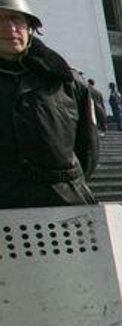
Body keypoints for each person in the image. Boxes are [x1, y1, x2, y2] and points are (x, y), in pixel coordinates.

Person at [0, 0, 98, 210]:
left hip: (65, 206)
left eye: (16, 18)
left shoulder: (66, 81)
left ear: (30, 26)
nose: (10, 29)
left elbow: (87, 149)